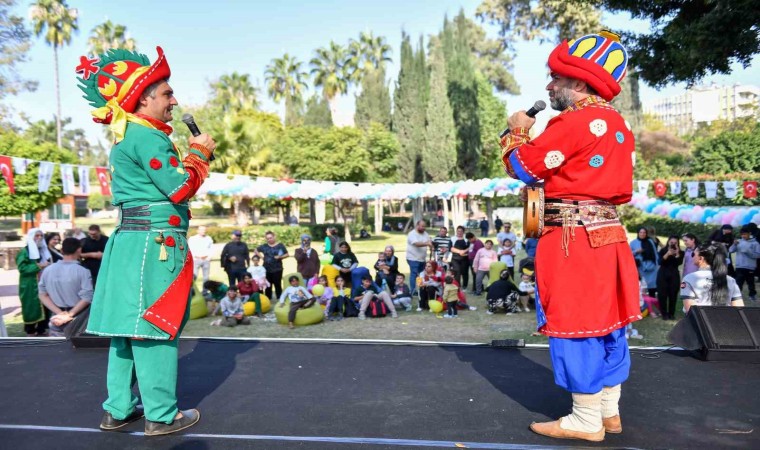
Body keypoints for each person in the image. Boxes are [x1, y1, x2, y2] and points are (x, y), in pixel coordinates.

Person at [499, 31, 640, 441]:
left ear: (578, 82)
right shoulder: (618, 124)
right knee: (608, 323)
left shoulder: (574, 121)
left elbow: (523, 166)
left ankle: (584, 420)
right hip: (608, 234)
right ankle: (609, 412)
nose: (549, 86)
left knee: (575, 322)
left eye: (556, 78)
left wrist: (516, 132)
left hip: (572, 239)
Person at [78, 46, 215, 435]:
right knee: (157, 325)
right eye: (167, 94)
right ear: (143, 99)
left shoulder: (128, 136)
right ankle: (162, 415)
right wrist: (199, 154)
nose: (174, 101)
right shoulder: (148, 137)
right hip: (155, 246)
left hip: (130, 243)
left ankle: (119, 408)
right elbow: (180, 188)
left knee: (127, 328)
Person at [38, 238, 93, 337]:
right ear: (79, 250)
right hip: (78, 317)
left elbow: (42, 295)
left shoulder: (48, 270)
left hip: (57, 316)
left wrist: (60, 313)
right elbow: (87, 297)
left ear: (62, 250)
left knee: (57, 345)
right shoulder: (83, 271)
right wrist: (69, 314)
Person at [681, 242, 744, 312]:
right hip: (726, 317)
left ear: (701, 258)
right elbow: (739, 309)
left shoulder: (689, 279)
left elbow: (690, 310)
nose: (692, 257)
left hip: (700, 318)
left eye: (693, 254)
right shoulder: (730, 280)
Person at [16, 228, 52, 336]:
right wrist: (39, 266)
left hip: (44, 282)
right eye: (37, 236)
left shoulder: (43, 250)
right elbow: (22, 268)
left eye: (41, 236)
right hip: (30, 284)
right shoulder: (24, 252)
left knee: (45, 304)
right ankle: (30, 330)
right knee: (31, 305)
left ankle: (42, 329)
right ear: (31, 237)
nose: (39, 238)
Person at [254, 231, 289, 300]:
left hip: (277, 268)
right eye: (268, 238)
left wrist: (280, 257)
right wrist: (262, 257)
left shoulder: (280, 245)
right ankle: (268, 298)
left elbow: (287, 254)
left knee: (277, 284)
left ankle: (279, 298)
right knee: (268, 284)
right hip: (266, 269)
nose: (269, 239)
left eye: (270, 238)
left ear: (274, 237)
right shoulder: (264, 246)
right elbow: (255, 250)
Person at [729, 225, 760, 302]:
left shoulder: (755, 243)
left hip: (750, 266)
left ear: (749, 233)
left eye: (745, 234)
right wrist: (734, 244)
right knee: (738, 282)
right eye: (742, 234)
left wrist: (748, 252)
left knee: (750, 282)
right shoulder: (739, 242)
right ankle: (736, 296)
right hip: (739, 266)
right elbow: (730, 250)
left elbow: (758, 255)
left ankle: (752, 295)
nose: (743, 236)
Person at [656, 236, 683, 320]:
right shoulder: (663, 250)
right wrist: (667, 254)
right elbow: (660, 262)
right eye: (671, 242)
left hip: (674, 275)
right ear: (668, 242)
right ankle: (664, 314)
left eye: (675, 243)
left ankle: (671, 314)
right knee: (662, 295)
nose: (673, 244)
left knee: (673, 295)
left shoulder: (681, 252)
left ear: (678, 243)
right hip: (663, 274)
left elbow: (679, 263)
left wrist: (677, 254)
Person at [630, 227, 659, 298]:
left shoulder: (650, 241)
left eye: (644, 232)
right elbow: (628, 255)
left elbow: (655, 254)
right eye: (641, 232)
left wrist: (657, 265)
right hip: (639, 268)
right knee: (640, 289)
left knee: (651, 289)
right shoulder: (633, 243)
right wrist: (636, 251)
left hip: (651, 267)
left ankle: (651, 303)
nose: (642, 234)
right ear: (638, 233)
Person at [406, 220, 432, 295]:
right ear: (417, 225)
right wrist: (427, 243)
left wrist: (431, 246)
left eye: (425, 226)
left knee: (421, 274)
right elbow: (417, 244)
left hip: (422, 259)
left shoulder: (425, 234)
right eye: (422, 226)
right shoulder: (412, 234)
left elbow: (429, 242)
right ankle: (413, 290)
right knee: (414, 274)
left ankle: (421, 288)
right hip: (413, 258)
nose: (424, 228)